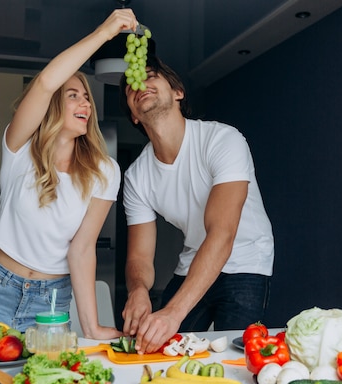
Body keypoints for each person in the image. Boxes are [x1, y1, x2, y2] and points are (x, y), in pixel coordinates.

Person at [0, 9, 141, 339]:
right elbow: (45, 83)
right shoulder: (19, 148)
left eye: (87, 98)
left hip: (50, 303)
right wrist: (103, 33)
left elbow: (83, 249)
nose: (85, 104)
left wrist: (92, 327)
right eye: (73, 95)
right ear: (53, 105)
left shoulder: (105, 171)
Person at [118, 56, 275, 353]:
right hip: (193, 260)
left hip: (246, 257)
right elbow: (139, 257)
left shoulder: (222, 140)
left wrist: (173, 313)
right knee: (161, 348)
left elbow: (222, 232)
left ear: (178, 92)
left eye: (151, 76)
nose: (140, 84)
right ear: (134, 115)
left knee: (235, 356)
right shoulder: (137, 176)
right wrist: (138, 290)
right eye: (130, 87)